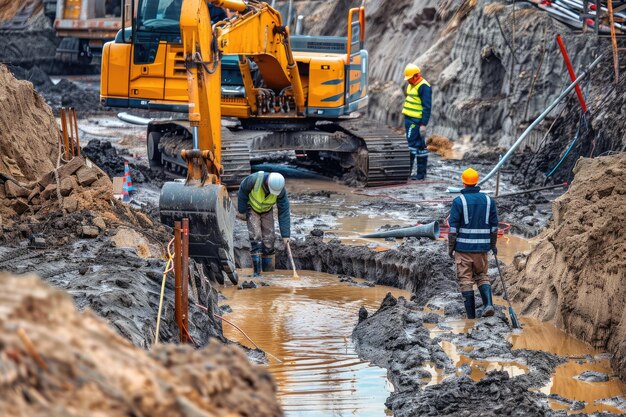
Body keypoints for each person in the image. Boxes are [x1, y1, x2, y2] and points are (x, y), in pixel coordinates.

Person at [447, 168, 499, 319]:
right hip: (482, 249)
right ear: (477, 181)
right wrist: (493, 245)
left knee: (465, 279)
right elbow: (495, 227)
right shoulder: (489, 201)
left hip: (463, 249)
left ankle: (471, 317)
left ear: (463, 182)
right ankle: (488, 304)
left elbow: (453, 229)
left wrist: (451, 248)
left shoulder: (459, 201)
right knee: (482, 275)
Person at [237, 171, 291, 276]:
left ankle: (268, 272)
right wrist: (242, 210)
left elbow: (284, 211)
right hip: (252, 209)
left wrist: (286, 235)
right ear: (267, 183)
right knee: (256, 237)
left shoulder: (280, 190)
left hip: (267, 210)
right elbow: (243, 190)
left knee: (269, 239)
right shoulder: (254, 179)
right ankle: (257, 273)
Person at [402, 64, 432, 180]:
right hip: (410, 119)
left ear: (416, 76)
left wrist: (423, 124)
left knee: (411, 145)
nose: (408, 80)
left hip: (415, 121)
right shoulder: (413, 84)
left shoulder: (424, 87)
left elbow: (427, 107)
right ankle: (421, 174)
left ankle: (407, 172)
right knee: (420, 146)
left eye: (409, 78)